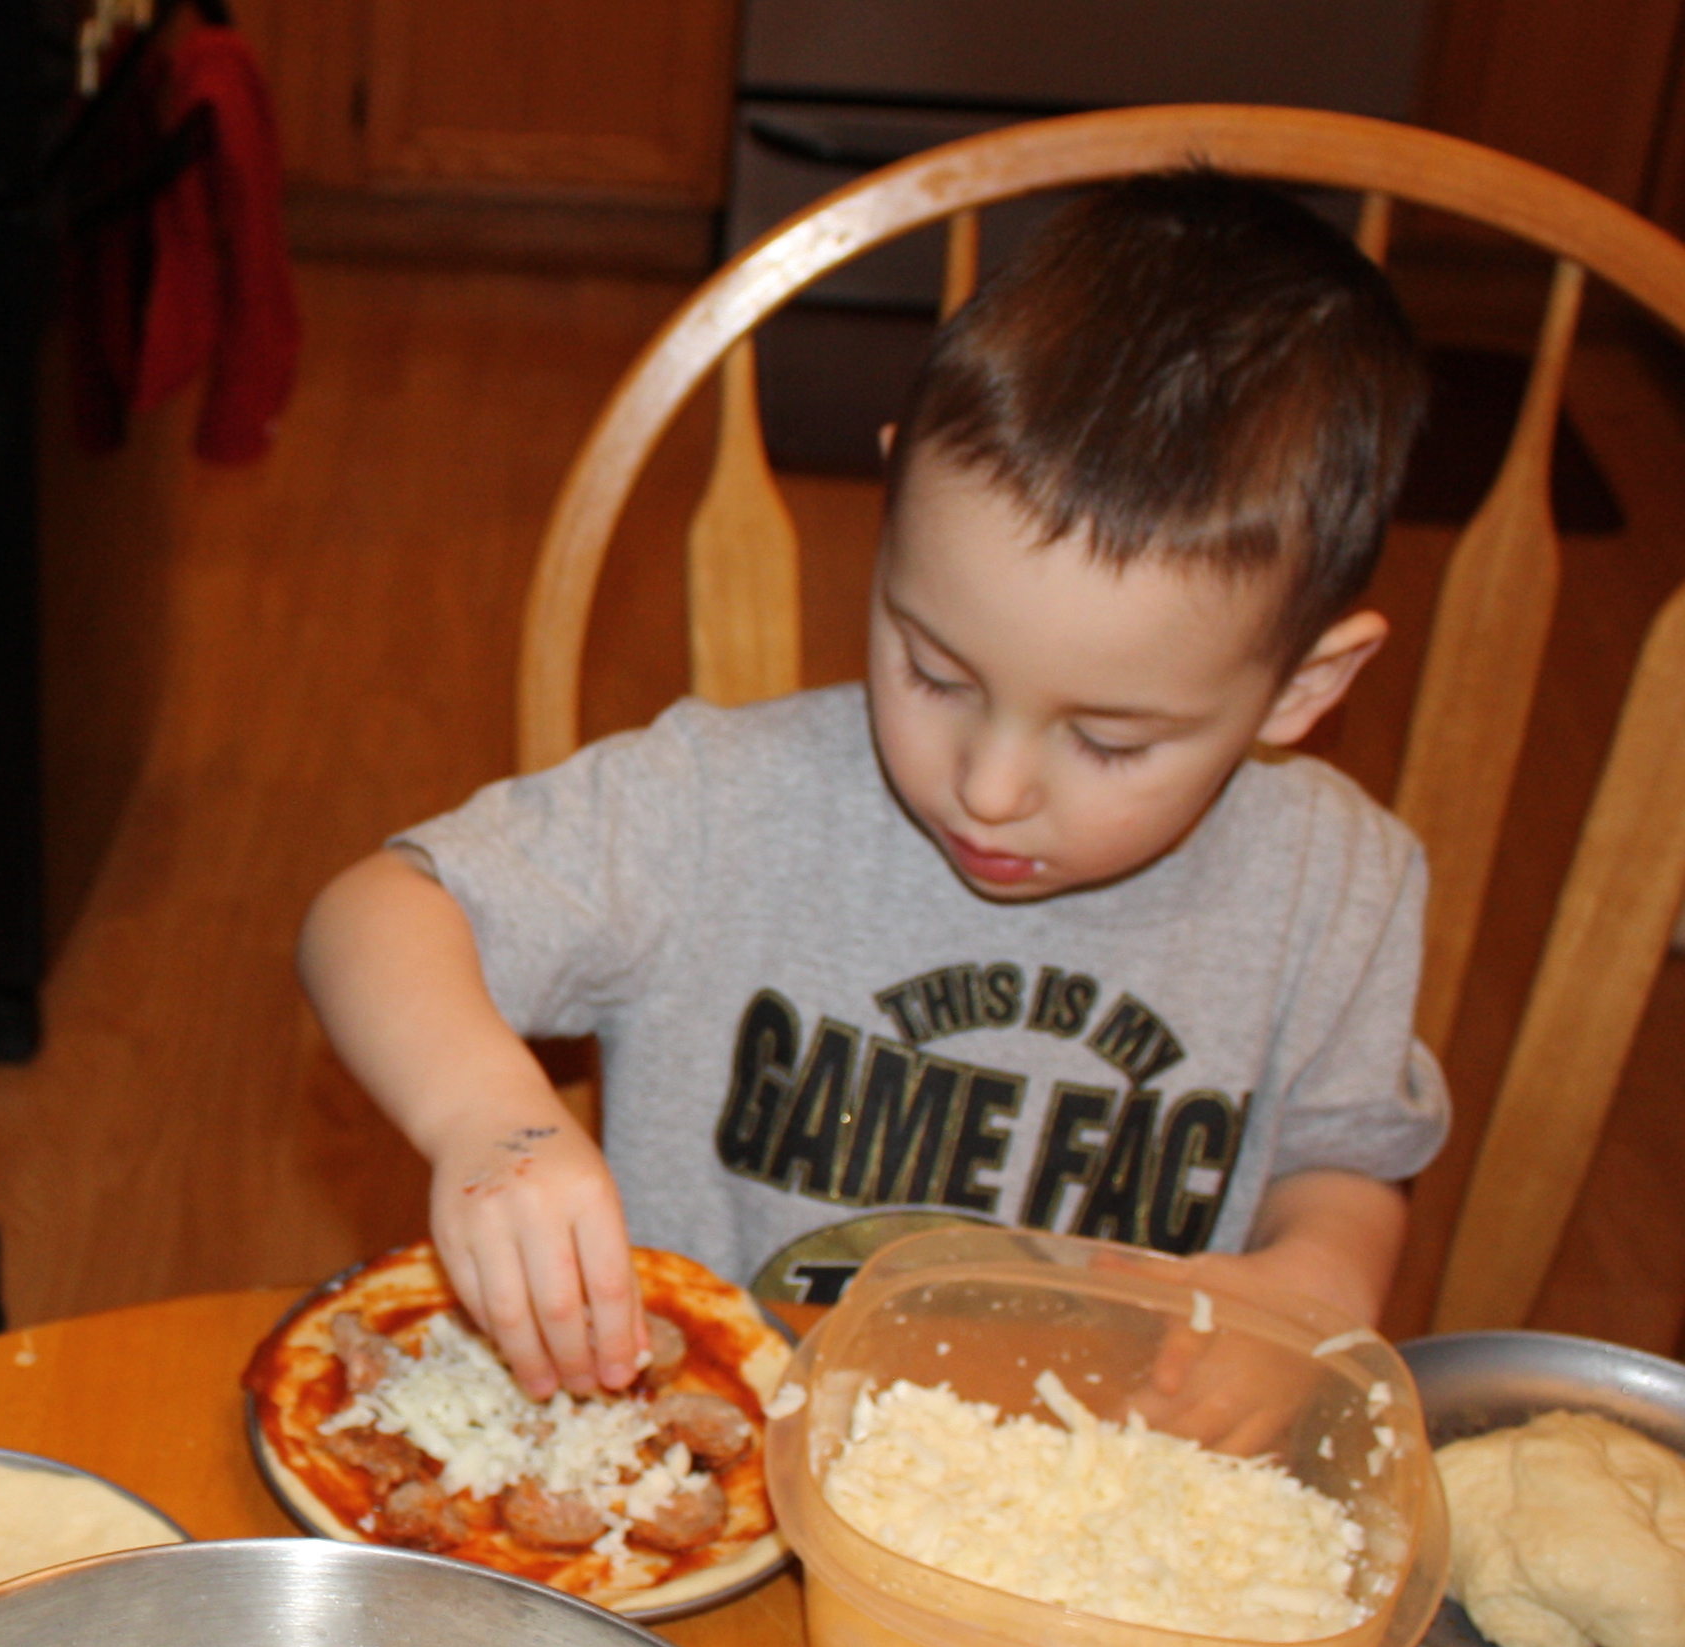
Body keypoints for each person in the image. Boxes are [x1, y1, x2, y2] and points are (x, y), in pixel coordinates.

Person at [299, 170, 1450, 1400]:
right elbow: (372, 912)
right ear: (895, 504)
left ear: (1302, 685)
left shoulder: (1337, 884)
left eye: (1109, 741)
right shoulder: (720, 809)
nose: (988, 788)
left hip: (1109, 1479)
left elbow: (1341, 1161)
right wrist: (489, 1120)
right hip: (721, 1443)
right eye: (934, 672)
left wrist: (1311, 1287)